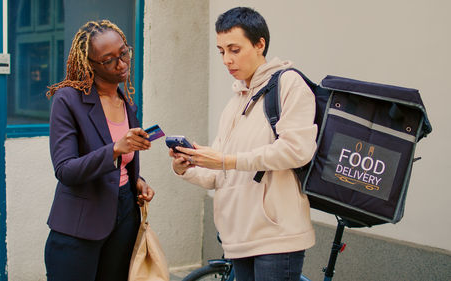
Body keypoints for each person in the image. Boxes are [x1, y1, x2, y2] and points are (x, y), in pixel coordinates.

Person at [169, 7, 317, 281]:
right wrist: (187, 166)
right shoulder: (235, 101)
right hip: (237, 236)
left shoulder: (289, 84)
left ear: (260, 44)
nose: (227, 59)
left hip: (276, 236)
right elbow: (220, 174)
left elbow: (297, 151)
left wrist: (226, 160)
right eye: (221, 51)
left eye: (234, 49)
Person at [44, 20, 155, 281]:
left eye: (124, 53)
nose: (122, 63)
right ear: (90, 64)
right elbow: (65, 169)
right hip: (80, 225)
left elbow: (122, 164)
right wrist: (115, 149)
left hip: (125, 216)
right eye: (109, 60)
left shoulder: (127, 103)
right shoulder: (68, 100)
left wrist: (137, 181)